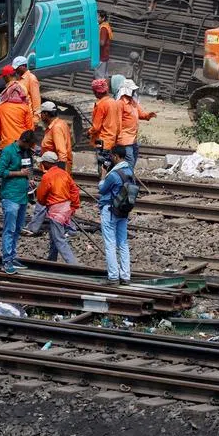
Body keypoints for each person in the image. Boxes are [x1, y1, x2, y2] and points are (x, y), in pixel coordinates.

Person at [0, 130, 36, 274]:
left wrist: (30, 178)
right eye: (30, 145)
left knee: (18, 228)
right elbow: (0, 172)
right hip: (10, 196)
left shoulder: (27, 152)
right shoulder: (8, 151)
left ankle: (12, 256)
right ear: (24, 141)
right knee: (9, 229)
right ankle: (7, 261)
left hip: (22, 196)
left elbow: (29, 169)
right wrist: (19, 174)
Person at [35, 150, 80, 264]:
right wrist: (74, 206)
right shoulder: (64, 173)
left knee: (59, 239)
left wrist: (46, 203)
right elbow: (74, 190)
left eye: (43, 162)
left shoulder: (47, 176)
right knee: (54, 235)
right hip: (66, 208)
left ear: (47, 163)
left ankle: (73, 265)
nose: (42, 164)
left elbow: (40, 196)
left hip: (56, 211)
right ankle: (51, 260)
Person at [98, 145, 134, 284]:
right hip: (123, 210)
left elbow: (102, 189)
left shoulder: (113, 174)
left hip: (110, 211)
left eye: (112, 156)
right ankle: (125, 276)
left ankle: (113, 276)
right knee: (123, 243)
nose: (111, 158)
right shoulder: (129, 171)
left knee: (110, 244)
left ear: (116, 156)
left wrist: (102, 175)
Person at [116, 79, 155, 167]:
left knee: (133, 160)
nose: (134, 91)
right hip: (124, 140)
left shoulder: (133, 103)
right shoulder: (120, 104)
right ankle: (127, 178)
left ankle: (127, 176)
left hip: (133, 139)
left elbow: (141, 114)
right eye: (132, 90)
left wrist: (148, 115)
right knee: (129, 161)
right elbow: (117, 122)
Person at [89, 78, 121, 178]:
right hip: (112, 141)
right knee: (110, 167)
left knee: (102, 167)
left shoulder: (101, 105)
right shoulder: (114, 102)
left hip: (102, 141)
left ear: (96, 92)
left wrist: (89, 132)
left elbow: (96, 127)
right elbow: (119, 124)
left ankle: (103, 187)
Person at [0, 66, 34, 150]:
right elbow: (30, 128)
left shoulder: (0, 107)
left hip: (6, 145)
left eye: (3, 77)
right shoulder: (25, 106)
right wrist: (31, 145)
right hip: (22, 144)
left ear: (7, 76)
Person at [39, 101, 73, 168]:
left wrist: (60, 170)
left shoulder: (56, 128)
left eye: (41, 113)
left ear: (46, 113)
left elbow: (61, 151)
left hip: (55, 167)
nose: (40, 116)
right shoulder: (61, 123)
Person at [13, 55, 42, 120]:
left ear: (24, 66)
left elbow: (36, 99)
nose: (15, 70)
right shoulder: (19, 78)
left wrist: (36, 118)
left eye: (17, 68)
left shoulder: (31, 79)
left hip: (28, 116)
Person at [96, 10, 113, 78]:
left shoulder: (103, 28)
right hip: (104, 55)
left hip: (101, 56)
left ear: (103, 18)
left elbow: (102, 43)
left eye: (98, 17)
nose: (96, 19)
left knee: (99, 77)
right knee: (104, 76)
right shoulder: (106, 26)